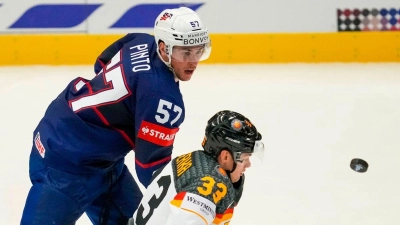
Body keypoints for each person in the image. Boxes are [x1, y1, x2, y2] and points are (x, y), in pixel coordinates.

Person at [20, 6, 211, 225]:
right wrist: (190, 203)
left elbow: (100, 64)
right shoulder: (162, 98)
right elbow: (151, 169)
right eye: (185, 52)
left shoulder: (140, 40)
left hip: (94, 154)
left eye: (198, 50)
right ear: (164, 48)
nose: (193, 60)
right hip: (65, 163)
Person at [128, 110, 265, 225]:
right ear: (225, 157)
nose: (248, 165)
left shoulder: (193, 160)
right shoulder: (211, 182)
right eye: (245, 158)